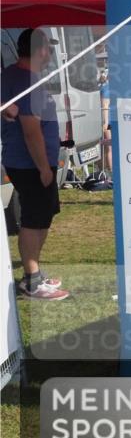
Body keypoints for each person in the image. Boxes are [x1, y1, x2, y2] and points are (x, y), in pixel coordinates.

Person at [0, 30, 68, 300]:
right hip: (30, 163)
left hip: (26, 161)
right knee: (34, 219)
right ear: (40, 50)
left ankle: (35, 273)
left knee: (42, 215)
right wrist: (43, 168)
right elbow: (31, 129)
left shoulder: (12, 75)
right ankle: (32, 281)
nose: (50, 54)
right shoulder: (27, 80)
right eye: (49, 49)